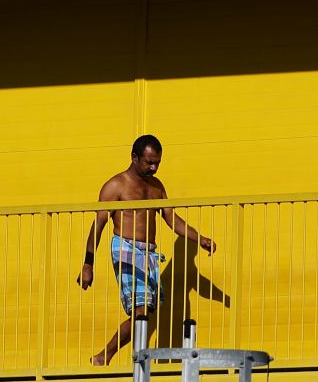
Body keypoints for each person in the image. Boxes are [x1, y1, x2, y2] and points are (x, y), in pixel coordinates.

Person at [77, 135, 216, 365]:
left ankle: (111, 355)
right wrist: (87, 264)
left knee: (144, 314)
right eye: (149, 162)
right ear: (134, 158)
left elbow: (172, 219)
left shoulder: (156, 186)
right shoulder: (115, 186)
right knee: (141, 312)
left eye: (157, 163)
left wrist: (198, 238)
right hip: (125, 249)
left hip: (149, 253)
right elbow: (98, 226)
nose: (153, 167)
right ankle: (106, 355)